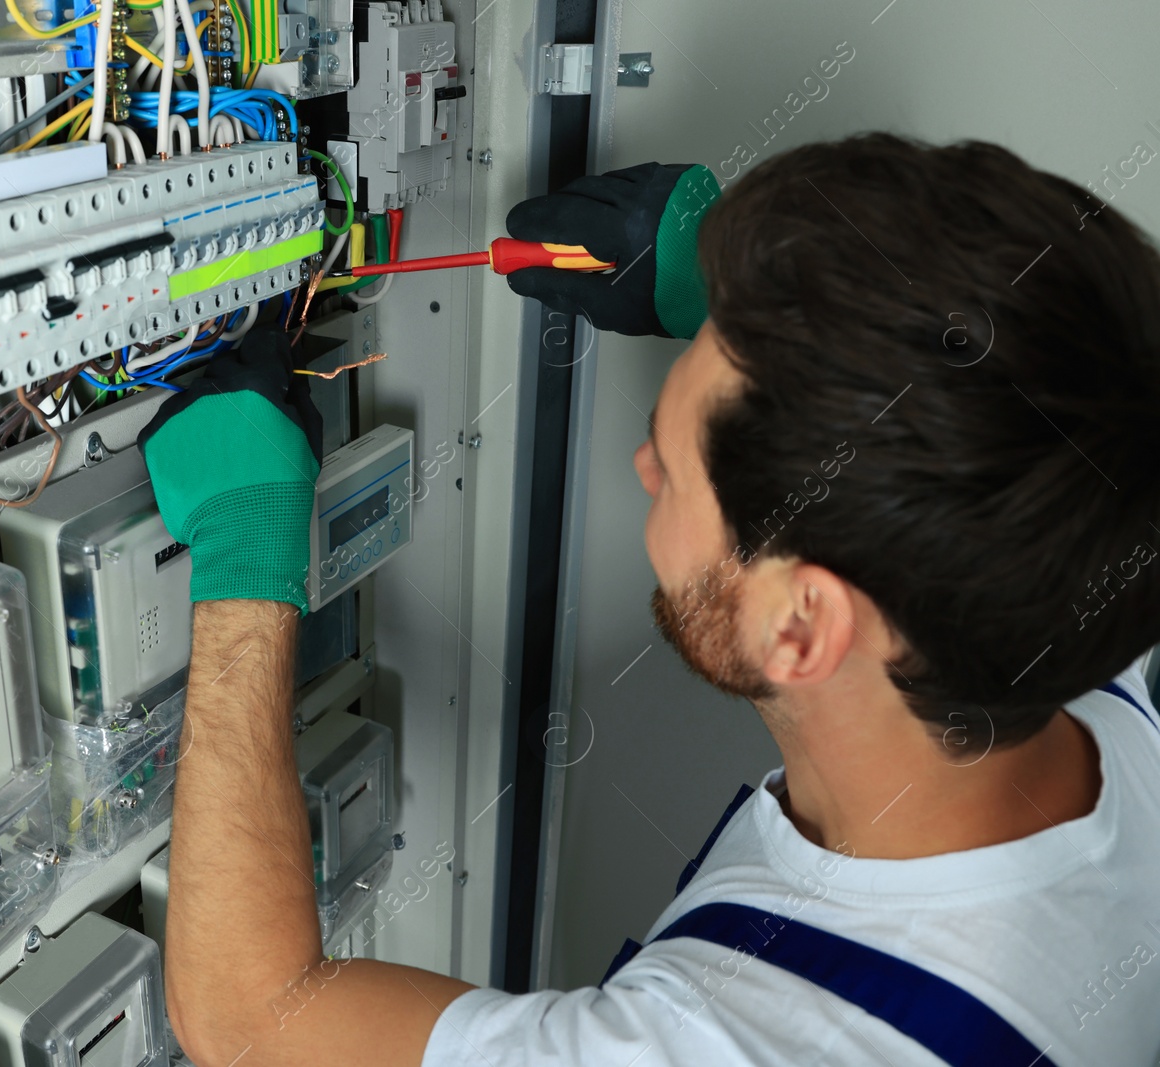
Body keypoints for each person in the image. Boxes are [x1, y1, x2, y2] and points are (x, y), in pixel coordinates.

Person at [136, 133, 1160, 1066]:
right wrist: (739, 290)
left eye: (669, 472)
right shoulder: (1077, 626)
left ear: (798, 624)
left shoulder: (759, 1042)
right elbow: (1003, 383)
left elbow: (246, 1013)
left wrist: (247, 549)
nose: (638, 462)